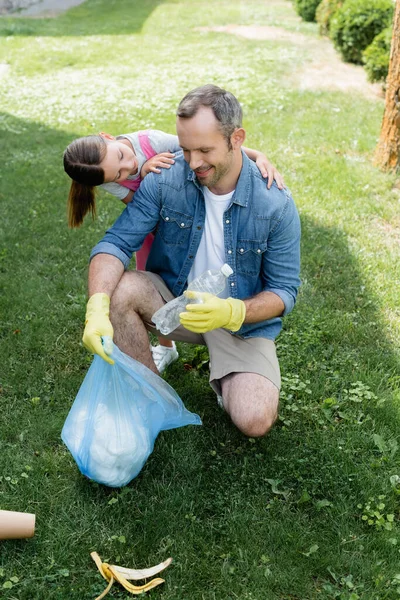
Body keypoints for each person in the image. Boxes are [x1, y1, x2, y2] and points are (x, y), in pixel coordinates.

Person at [82, 84, 301, 438]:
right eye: (185, 149)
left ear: (236, 138)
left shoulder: (275, 204)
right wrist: (96, 306)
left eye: (204, 150)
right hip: (176, 303)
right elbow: (116, 244)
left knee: (254, 420)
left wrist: (232, 313)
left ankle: (229, 371)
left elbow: (284, 291)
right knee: (118, 288)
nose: (193, 162)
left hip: (240, 320)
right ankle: (151, 397)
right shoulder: (164, 180)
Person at [64, 128, 284, 374]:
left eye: (122, 157)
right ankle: (165, 349)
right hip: (157, 224)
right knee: (151, 274)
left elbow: (207, 150)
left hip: (184, 209)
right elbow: (137, 210)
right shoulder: (108, 178)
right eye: (119, 174)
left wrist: (257, 155)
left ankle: (226, 355)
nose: (129, 167)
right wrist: (96, 307)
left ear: (107, 136)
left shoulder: (151, 140)